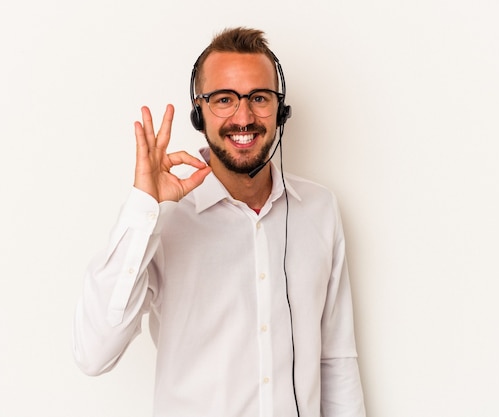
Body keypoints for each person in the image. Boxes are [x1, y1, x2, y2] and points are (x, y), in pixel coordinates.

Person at [72, 27, 366, 417]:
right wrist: (145, 208)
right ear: (199, 111)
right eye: (224, 99)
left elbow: (336, 360)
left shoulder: (319, 209)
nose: (243, 118)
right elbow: (94, 354)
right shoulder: (163, 219)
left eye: (259, 98)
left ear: (280, 109)